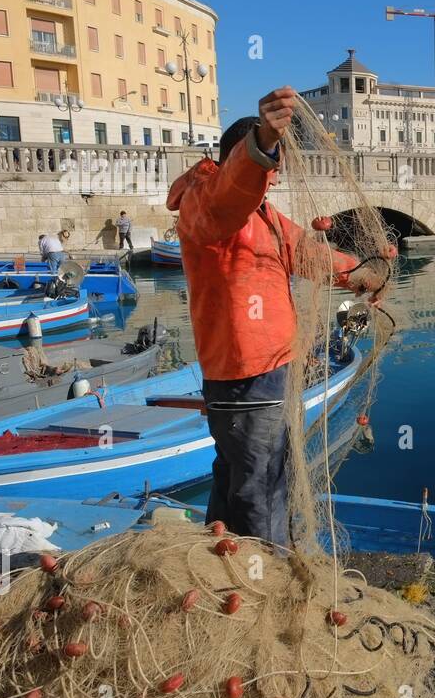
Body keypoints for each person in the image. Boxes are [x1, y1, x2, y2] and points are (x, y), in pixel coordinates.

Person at [165, 87, 390, 547]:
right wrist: (263, 141)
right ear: (237, 158)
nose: (275, 175)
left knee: (237, 476)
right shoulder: (207, 205)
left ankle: (221, 555)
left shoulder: (263, 216)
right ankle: (267, 576)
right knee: (263, 487)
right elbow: (232, 190)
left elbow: (308, 253)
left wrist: (361, 273)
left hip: (270, 371)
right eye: (271, 165)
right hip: (245, 374)